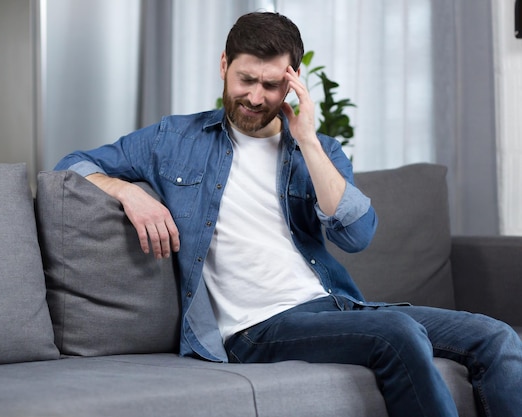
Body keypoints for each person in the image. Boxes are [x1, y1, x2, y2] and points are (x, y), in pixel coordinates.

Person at [55, 12, 522, 417]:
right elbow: (72, 165)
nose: (256, 97)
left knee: (497, 338)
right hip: (253, 328)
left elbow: (358, 235)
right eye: (245, 80)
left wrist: (309, 141)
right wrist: (127, 192)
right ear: (223, 66)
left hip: (334, 307)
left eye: (272, 84)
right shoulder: (173, 139)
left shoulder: (317, 151)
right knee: (397, 332)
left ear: (294, 81)